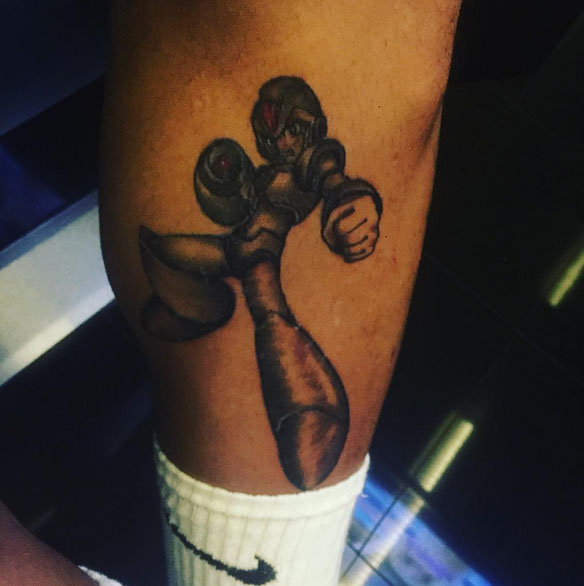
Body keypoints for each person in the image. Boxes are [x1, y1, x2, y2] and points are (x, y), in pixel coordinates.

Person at [1, 1, 462, 585]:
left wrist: (352, 205)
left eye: (295, 129)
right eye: (277, 132)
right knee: (170, 254)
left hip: (255, 262)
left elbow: (336, 167)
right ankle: (199, 305)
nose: (286, 140)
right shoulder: (263, 176)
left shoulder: (312, 164)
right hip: (236, 248)